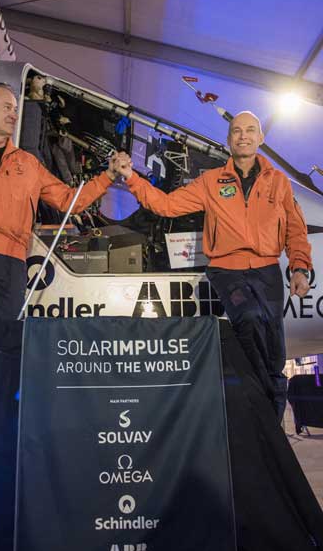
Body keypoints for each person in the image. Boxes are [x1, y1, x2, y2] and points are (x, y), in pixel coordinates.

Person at [0, 78, 116, 457]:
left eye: (15, 108)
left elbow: (68, 200)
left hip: (10, 261)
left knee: (0, 350)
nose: (14, 113)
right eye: (7, 106)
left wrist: (107, 177)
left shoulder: (28, 163)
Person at [112, 111, 312, 422]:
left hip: (267, 271)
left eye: (249, 131)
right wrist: (131, 177)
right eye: (236, 131)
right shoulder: (210, 181)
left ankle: (271, 426)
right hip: (226, 271)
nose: (243, 136)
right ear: (229, 139)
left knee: (274, 352)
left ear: (261, 139)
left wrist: (300, 268)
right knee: (249, 318)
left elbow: (296, 231)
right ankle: (257, 411)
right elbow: (166, 205)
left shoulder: (280, 183)